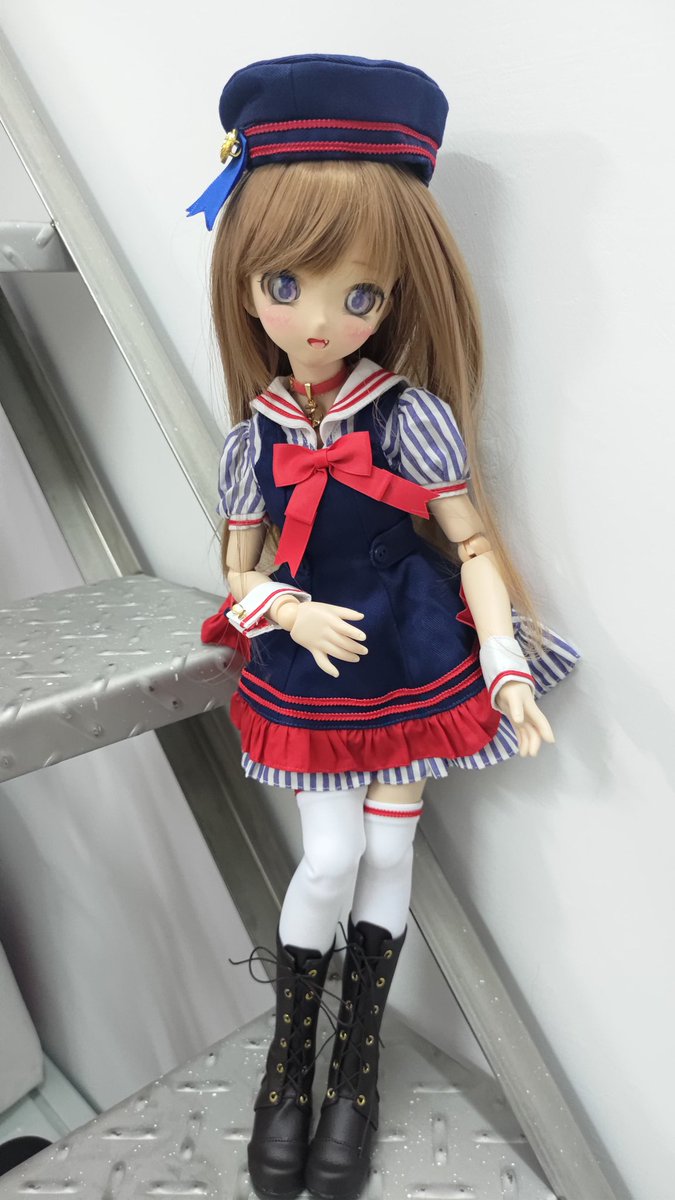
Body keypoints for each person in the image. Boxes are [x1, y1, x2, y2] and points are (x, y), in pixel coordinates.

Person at [188, 53, 580, 1200]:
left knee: (393, 849)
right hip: (313, 666)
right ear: (245, 284)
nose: (319, 321)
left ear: (394, 297)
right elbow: (235, 567)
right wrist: (286, 607)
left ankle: (352, 1072)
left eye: (357, 297)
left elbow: (472, 544)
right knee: (330, 853)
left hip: (407, 655)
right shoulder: (251, 437)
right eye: (286, 285)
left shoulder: (412, 417)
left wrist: (502, 663)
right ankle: (289, 1061)